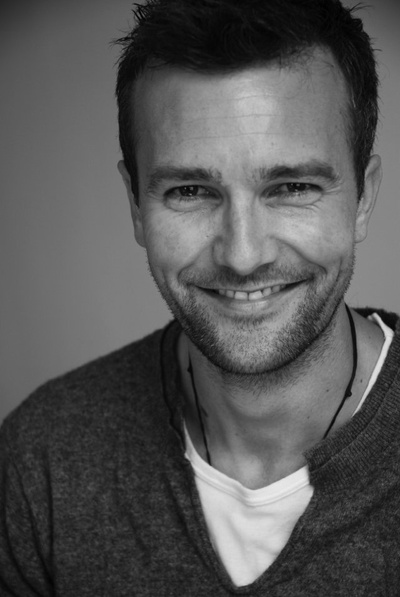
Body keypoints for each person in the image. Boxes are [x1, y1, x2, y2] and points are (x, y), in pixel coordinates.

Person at [1, 0, 399, 594]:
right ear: (136, 205)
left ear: (363, 197)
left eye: (292, 186)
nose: (243, 255)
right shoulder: (43, 459)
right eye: (190, 191)